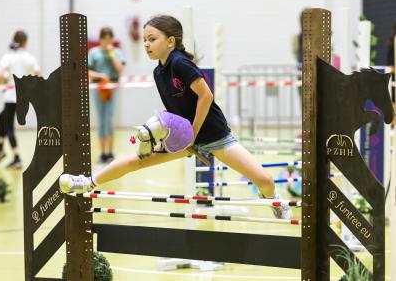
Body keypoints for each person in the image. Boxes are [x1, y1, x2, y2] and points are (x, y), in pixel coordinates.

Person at [60, 15, 292, 219]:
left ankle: (272, 197)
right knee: (134, 159)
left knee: (266, 181)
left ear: (170, 41)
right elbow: (174, 108)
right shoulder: (158, 71)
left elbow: (206, 96)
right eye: (144, 40)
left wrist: (192, 134)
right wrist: (165, 137)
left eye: (152, 39)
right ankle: (86, 182)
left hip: (216, 136)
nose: (146, 44)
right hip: (185, 138)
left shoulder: (180, 63)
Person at [0, 30, 41, 168]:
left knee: (8, 126)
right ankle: (0, 149)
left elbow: (0, 74)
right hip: (24, 96)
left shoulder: (8, 57)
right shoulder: (30, 58)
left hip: (11, 96)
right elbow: (39, 75)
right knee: (2, 117)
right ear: (26, 42)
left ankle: (16, 157)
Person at [88, 27, 126, 163]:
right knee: (101, 119)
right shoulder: (93, 53)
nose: (107, 41)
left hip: (112, 88)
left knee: (109, 119)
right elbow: (87, 71)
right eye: (105, 39)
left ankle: (110, 151)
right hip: (98, 87)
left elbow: (120, 69)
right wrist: (101, 75)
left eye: (110, 39)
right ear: (101, 39)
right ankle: (102, 152)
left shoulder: (117, 53)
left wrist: (111, 54)